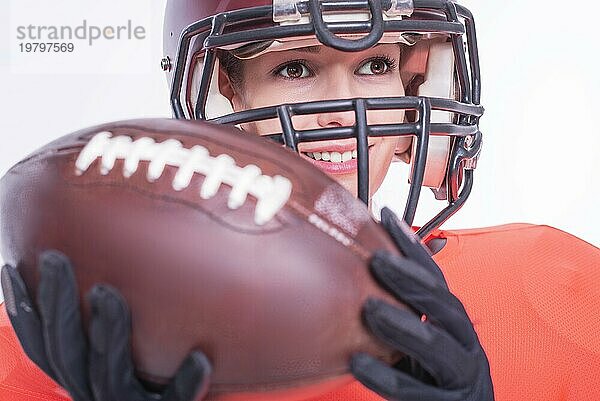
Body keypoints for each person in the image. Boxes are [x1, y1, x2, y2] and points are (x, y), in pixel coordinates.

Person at [0, 0, 598, 400]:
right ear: (227, 89)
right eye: (295, 67)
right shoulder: (66, 332)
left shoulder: (557, 285)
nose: (346, 110)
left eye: (376, 64)